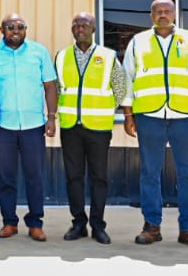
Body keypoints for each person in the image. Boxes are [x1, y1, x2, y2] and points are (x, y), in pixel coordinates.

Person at [121, 0, 188, 249]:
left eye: (167, 11)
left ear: (175, 14)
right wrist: (128, 114)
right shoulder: (138, 41)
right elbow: (127, 78)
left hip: (185, 117)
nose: (162, 15)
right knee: (149, 173)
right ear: (151, 15)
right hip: (149, 115)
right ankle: (151, 226)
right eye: (157, 11)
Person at [54, 12, 127, 245]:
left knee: (99, 178)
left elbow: (120, 88)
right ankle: (78, 223)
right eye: (75, 24)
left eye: (84, 24)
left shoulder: (107, 56)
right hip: (70, 127)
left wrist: (102, 108)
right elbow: (55, 88)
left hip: (98, 127)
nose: (79, 28)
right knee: (73, 177)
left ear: (94, 29)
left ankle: (98, 225)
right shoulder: (62, 56)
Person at [0, 13, 57, 241]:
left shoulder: (39, 52)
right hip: (3, 126)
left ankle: (35, 223)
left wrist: (52, 117)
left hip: (33, 125)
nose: (15, 30)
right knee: (6, 176)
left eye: (20, 27)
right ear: (1, 29)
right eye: (10, 27)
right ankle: (9, 222)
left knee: (34, 176)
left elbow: (49, 86)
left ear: (25, 29)